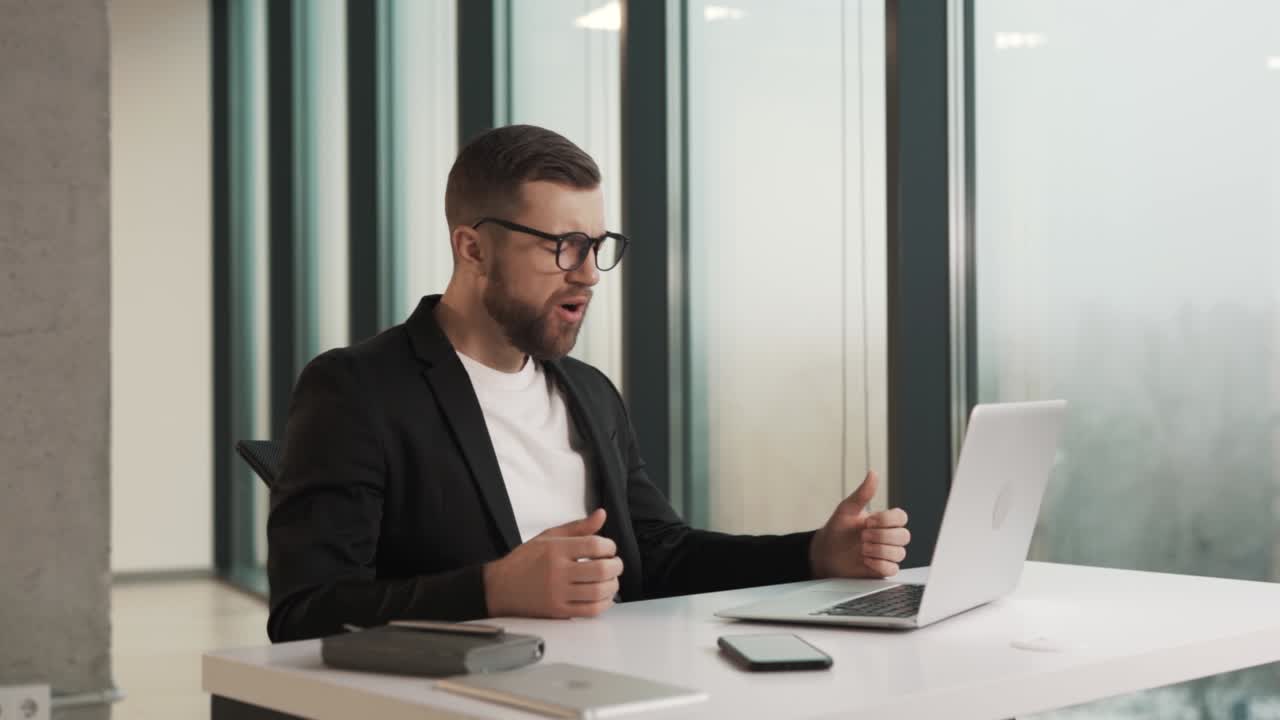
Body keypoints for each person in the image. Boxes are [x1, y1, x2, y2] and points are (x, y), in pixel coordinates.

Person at [266, 124, 911, 642]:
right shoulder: (356, 391)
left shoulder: (590, 392)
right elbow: (305, 612)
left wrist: (813, 556)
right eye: (564, 246)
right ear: (473, 249)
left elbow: (661, 554)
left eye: (597, 246)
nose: (589, 274)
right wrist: (491, 590)